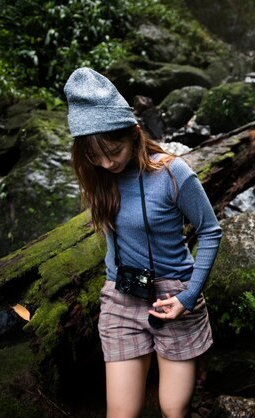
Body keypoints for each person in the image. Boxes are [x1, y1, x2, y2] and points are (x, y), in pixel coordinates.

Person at [64, 67, 222, 418]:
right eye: (95, 156)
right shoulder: (99, 176)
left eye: (113, 151)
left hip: (174, 297)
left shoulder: (172, 172)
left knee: (172, 408)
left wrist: (188, 296)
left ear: (134, 134)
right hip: (122, 296)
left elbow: (211, 232)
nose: (107, 163)